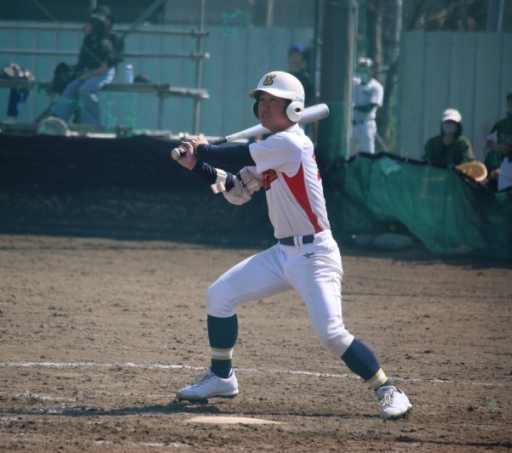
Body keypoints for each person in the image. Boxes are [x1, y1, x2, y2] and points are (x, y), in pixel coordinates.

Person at [172, 70, 412, 420]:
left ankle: (388, 389)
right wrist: (197, 165)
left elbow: (239, 154)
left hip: (315, 256)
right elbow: (237, 190)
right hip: (282, 253)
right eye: (262, 100)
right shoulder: (270, 149)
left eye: (274, 100)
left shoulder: (291, 144)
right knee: (219, 295)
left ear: (295, 108)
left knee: (331, 335)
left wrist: (204, 148)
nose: (264, 106)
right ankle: (222, 378)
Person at [52, 14, 116, 126]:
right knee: (71, 87)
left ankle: (92, 124)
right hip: (91, 72)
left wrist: (86, 77)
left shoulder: (103, 44)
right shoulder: (87, 40)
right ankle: (59, 119)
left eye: (89, 24)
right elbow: (82, 62)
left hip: (103, 73)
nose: (86, 26)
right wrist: (74, 74)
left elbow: (104, 68)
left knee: (86, 90)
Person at [484, 88, 512, 191]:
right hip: (507, 164)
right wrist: (499, 147)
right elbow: (488, 143)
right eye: (511, 101)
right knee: (505, 195)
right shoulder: (501, 125)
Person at [351, 57, 384, 154]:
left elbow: (369, 107)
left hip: (366, 125)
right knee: (350, 157)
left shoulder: (376, 87)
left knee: (368, 155)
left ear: (371, 71)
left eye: (365, 70)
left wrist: (354, 106)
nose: (362, 72)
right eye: (360, 70)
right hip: (352, 125)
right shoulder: (354, 84)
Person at [287, 43, 315, 107]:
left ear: (302, 58)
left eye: (297, 55)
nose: (295, 58)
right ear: (289, 58)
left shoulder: (307, 78)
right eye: (293, 55)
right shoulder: (286, 77)